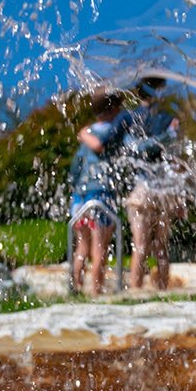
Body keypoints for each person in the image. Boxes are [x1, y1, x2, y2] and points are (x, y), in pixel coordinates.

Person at [113, 75, 184, 292]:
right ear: (158, 91)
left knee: (140, 245)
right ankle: (162, 291)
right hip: (164, 189)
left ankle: (135, 291)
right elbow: (176, 158)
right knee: (161, 246)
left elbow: (129, 150)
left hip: (142, 190)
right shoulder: (169, 119)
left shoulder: (128, 118)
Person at [68, 99, 124, 297]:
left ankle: (75, 289)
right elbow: (103, 147)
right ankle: (96, 294)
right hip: (100, 192)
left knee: (82, 245)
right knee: (100, 246)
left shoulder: (87, 133)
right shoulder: (115, 129)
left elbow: (75, 168)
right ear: (114, 108)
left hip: (79, 196)